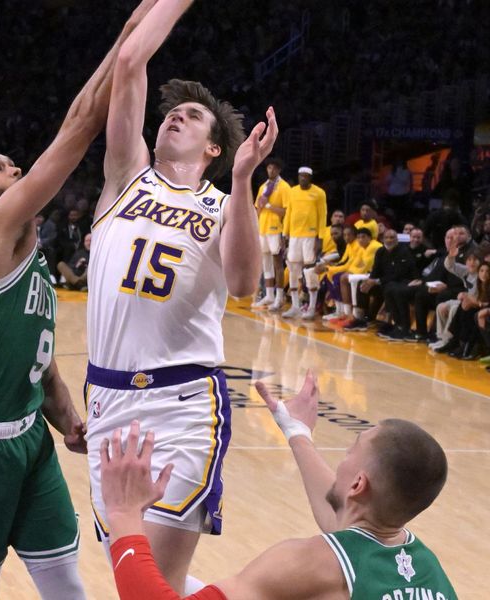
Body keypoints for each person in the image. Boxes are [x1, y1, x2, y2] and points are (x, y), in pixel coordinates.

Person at [0, 3, 156, 599]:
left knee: (63, 577)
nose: (16, 167)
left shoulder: (31, 256)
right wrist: (127, 40)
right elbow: (78, 127)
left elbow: (40, 354)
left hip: (30, 436)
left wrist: (66, 417)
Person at [84, 0, 278, 593]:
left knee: (150, 580)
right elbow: (129, 63)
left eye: (193, 116)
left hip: (183, 402)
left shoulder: (224, 205)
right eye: (173, 112)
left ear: (214, 150)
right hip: (107, 400)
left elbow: (244, 285)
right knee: (140, 571)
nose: (176, 117)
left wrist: (244, 181)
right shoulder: (127, 175)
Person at [100, 372, 456, 600]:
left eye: (351, 450)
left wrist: (124, 516)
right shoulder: (428, 569)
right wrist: (297, 432)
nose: (343, 459)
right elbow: (343, 517)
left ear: (358, 484)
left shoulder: (311, 563)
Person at [281, 167, 327, 318]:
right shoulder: (292, 191)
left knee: (309, 271)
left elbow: (322, 216)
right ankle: (295, 306)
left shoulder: (319, 193)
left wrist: (320, 239)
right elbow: (288, 213)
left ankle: (312, 307)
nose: (303, 178)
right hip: (294, 236)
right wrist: (284, 234)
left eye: (306, 176)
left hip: (310, 235)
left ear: (310, 178)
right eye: (301, 176)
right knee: (293, 270)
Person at [251, 157, 290, 310]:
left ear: (279, 170)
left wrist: (267, 204)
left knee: (277, 264)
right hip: (263, 229)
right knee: (265, 263)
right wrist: (261, 207)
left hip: (276, 229)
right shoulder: (263, 187)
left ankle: (279, 297)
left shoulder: (284, 187)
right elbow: (258, 210)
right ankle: (269, 295)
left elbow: (286, 211)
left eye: (274, 168)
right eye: (269, 168)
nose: (271, 170)